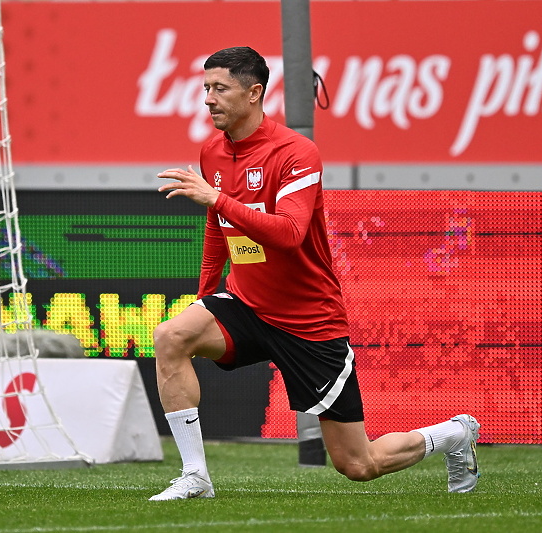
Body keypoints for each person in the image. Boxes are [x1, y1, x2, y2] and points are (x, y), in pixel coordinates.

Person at [149, 46, 480, 501]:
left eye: (219, 88)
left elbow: (288, 233)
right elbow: (218, 230)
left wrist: (217, 200)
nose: (208, 98)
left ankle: (454, 434)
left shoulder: (297, 152)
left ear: (254, 93)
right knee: (170, 336)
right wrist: (205, 296)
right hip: (246, 304)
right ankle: (195, 477)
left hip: (309, 322)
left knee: (359, 464)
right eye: (205, 87)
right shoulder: (212, 153)